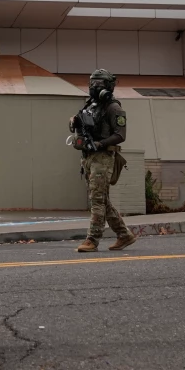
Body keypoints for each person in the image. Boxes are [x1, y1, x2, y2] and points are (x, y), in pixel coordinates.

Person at [71, 69, 137, 252]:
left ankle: (92, 240)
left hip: (103, 158)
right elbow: (80, 123)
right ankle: (124, 235)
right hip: (88, 157)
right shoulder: (91, 105)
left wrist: (100, 144)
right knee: (102, 199)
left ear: (108, 86)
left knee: (97, 200)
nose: (95, 87)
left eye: (99, 84)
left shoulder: (113, 107)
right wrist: (75, 122)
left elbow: (120, 135)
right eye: (92, 83)